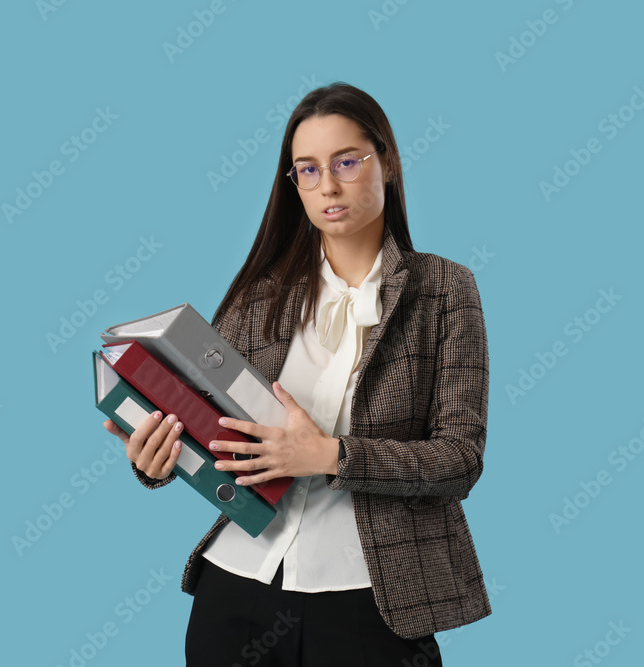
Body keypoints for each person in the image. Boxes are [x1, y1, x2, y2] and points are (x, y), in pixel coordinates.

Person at [103, 82, 490, 666]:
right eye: (306, 170)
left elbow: (460, 459)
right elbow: (208, 427)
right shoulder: (262, 296)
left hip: (370, 601)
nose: (327, 185)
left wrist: (330, 456)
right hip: (233, 587)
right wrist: (153, 460)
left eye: (346, 162)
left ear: (386, 160)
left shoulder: (443, 290)